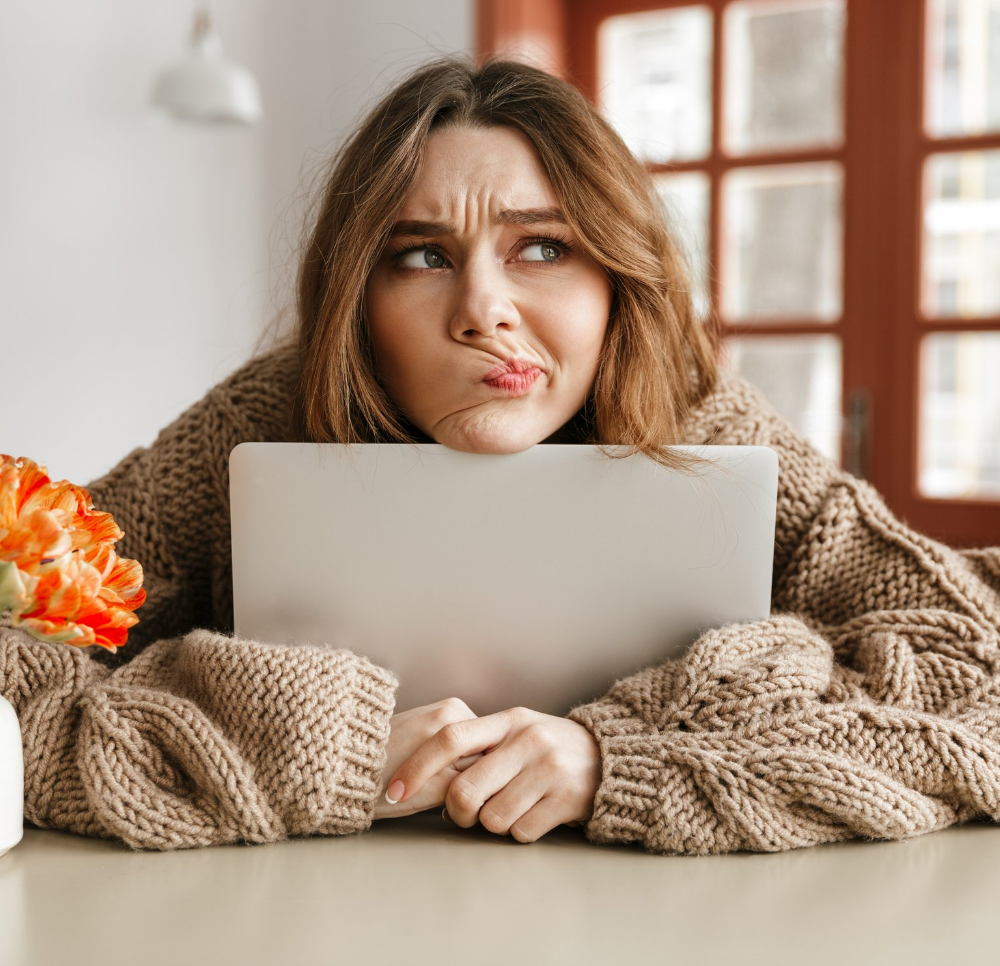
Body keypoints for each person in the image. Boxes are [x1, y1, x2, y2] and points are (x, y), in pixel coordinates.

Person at [2, 56, 999, 854]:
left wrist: (626, 760)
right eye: (423, 255)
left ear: (617, 279)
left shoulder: (695, 417)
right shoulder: (262, 420)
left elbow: (974, 671)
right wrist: (313, 744)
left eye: (541, 248)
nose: (483, 307)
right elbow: (14, 657)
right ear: (358, 298)